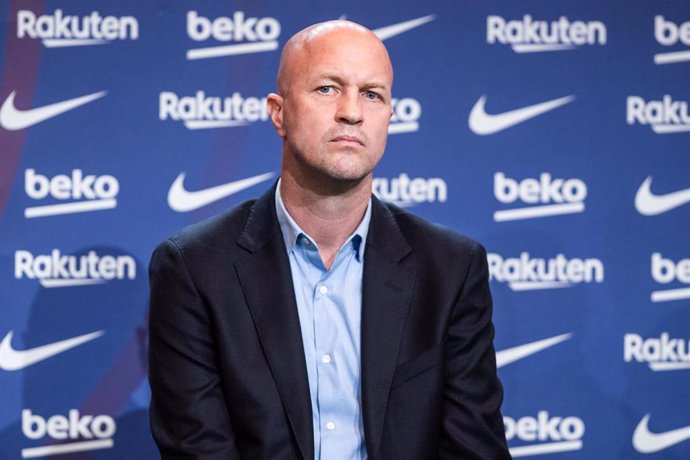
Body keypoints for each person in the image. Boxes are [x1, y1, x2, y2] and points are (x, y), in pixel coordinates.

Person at [148, 20, 510, 460]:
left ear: (389, 118)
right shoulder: (195, 268)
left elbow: (474, 450)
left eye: (372, 94)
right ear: (278, 112)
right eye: (327, 89)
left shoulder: (451, 269)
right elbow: (199, 451)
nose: (351, 112)